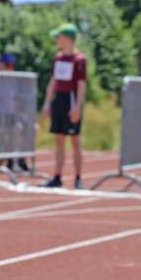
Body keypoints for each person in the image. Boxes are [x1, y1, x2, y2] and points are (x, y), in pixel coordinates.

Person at [41, 23, 87, 189]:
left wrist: (77, 107)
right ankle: (57, 176)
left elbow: (82, 84)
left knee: (75, 140)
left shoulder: (79, 59)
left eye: (58, 36)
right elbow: (53, 81)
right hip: (58, 100)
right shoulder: (58, 58)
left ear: (68, 39)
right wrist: (47, 103)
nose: (56, 40)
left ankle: (78, 177)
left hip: (72, 100)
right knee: (59, 139)